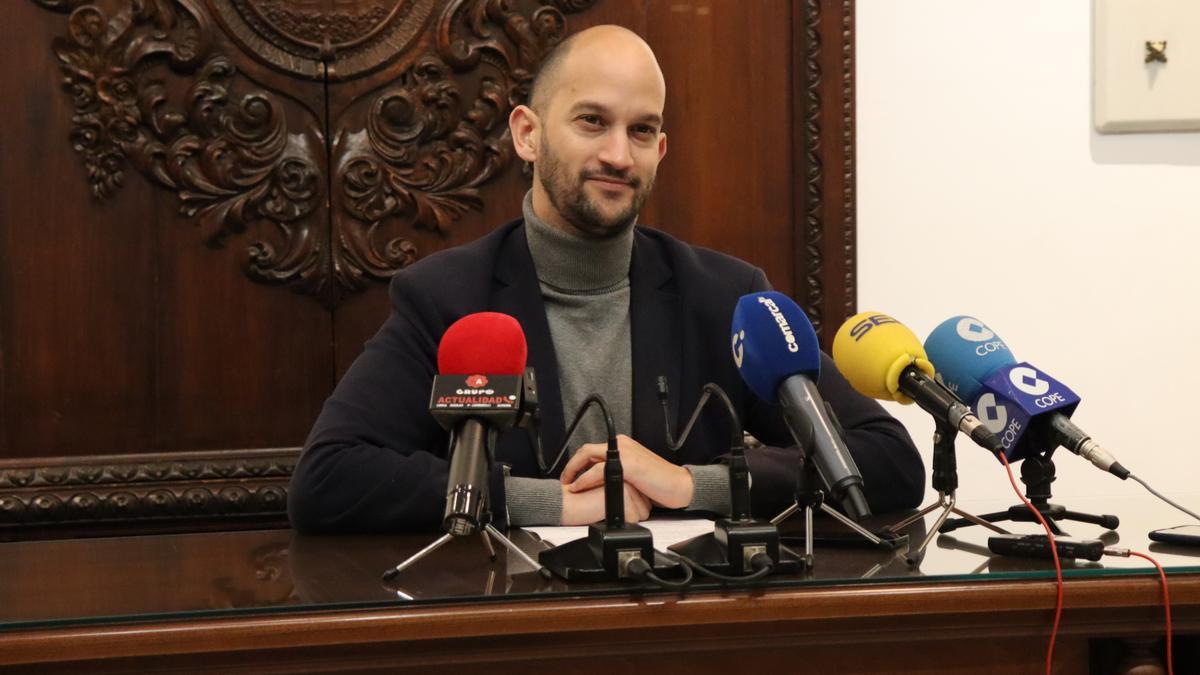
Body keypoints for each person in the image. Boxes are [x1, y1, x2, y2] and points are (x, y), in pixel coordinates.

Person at [288, 25, 924, 532]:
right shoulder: (448, 297)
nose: (619, 155)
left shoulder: (727, 298)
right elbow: (328, 479)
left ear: (660, 151)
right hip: (512, 629)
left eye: (641, 130)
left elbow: (887, 459)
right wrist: (543, 502)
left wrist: (695, 484)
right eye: (592, 121)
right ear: (527, 134)